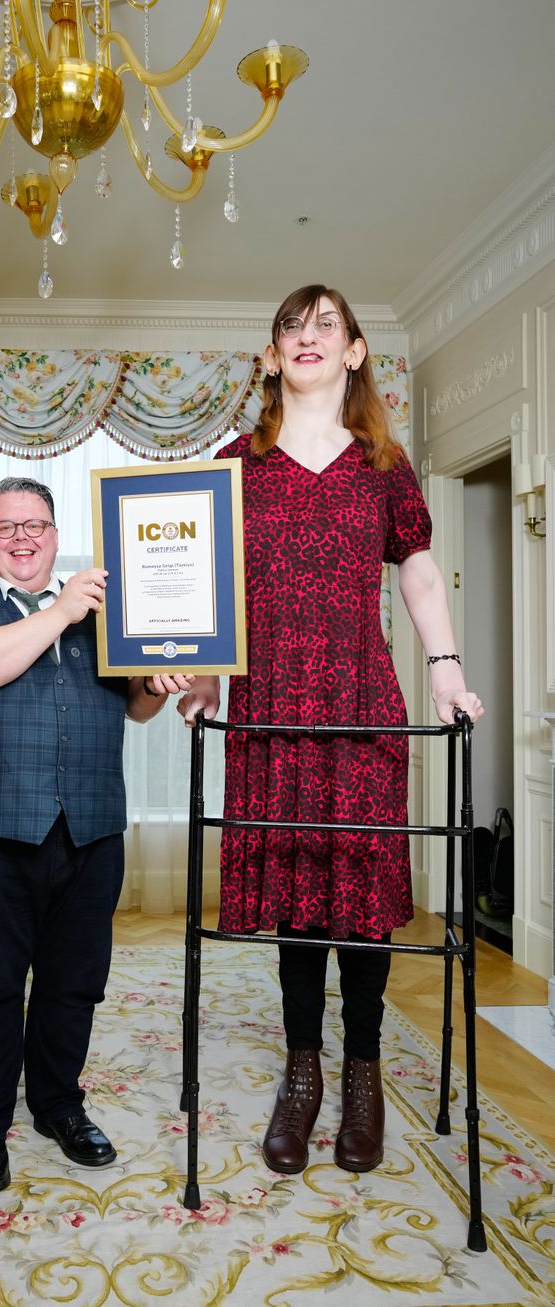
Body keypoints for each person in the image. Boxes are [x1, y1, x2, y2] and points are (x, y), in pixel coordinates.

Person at [177, 285, 483, 1177]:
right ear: (273, 355)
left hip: (359, 700)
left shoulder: (384, 463)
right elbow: (209, 583)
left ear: (353, 351)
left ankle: (363, 1071)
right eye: (291, 326)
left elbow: (418, 571)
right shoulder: (236, 465)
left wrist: (446, 668)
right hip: (272, 703)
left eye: (326, 325)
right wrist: (203, 673)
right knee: (298, 897)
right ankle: (302, 1070)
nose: (307, 336)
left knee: (359, 890)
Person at [0, 475, 193, 1193]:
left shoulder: (102, 614)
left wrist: (154, 684)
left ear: (54, 534)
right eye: (5, 526)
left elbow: (132, 708)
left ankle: (58, 1106)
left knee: (75, 984)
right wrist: (64, 608)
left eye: (34, 525)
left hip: (90, 828)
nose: (21, 538)